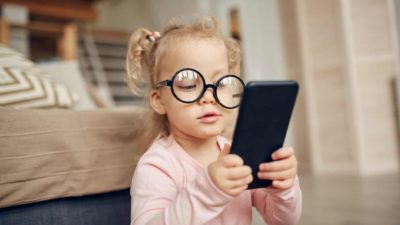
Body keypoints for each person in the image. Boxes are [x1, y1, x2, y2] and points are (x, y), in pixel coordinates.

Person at [126, 15, 302, 225]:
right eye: (189, 84)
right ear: (159, 100)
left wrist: (283, 189)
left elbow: (282, 221)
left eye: (220, 83)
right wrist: (209, 190)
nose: (209, 97)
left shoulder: (237, 153)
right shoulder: (157, 166)